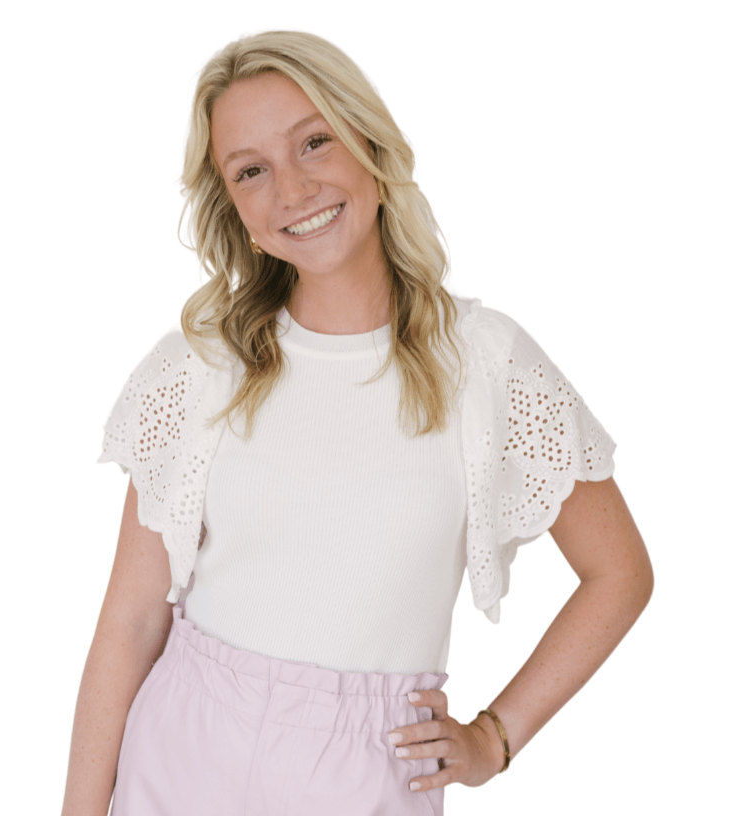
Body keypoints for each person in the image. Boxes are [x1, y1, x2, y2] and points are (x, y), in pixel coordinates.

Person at [61, 30, 654, 816]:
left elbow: (619, 573)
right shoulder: (199, 367)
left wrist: (495, 738)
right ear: (234, 207)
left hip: (370, 774)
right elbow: (132, 621)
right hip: (182, 750)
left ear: (369, 142)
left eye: (315, 142)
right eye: (250, 171)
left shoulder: (487, 365)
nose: (293, 188)